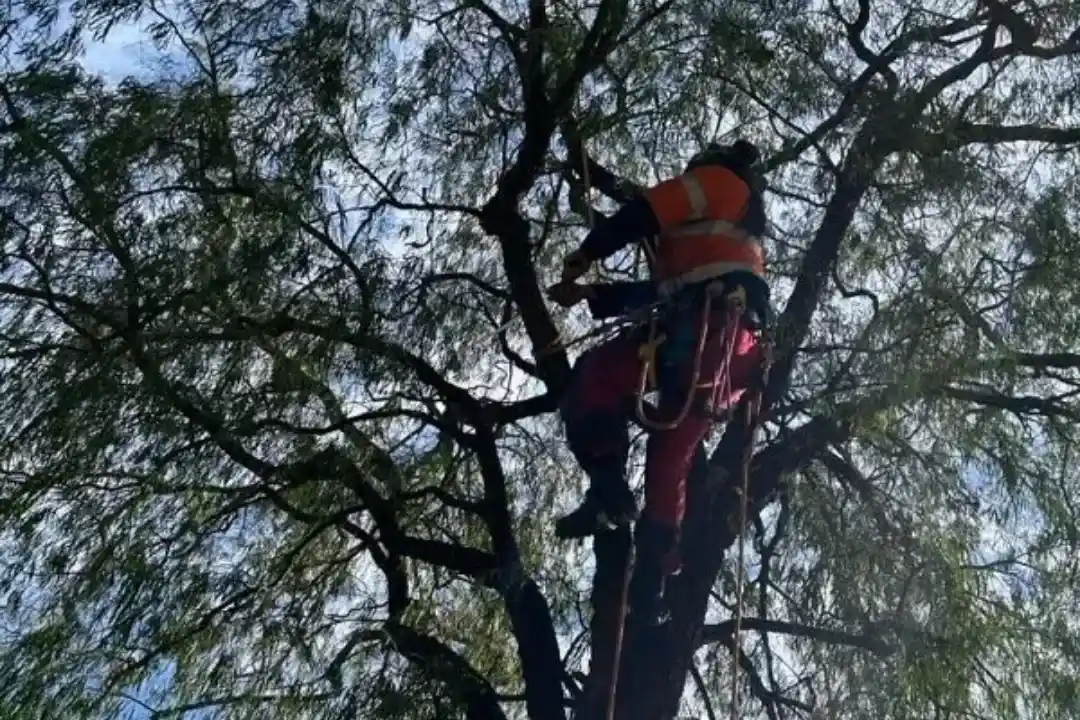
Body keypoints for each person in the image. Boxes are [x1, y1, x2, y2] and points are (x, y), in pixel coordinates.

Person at [547, 140, 770, 624]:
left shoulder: (719, 184)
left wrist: (588, 252)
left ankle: (608, 485)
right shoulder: (719, 237)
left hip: (704, 329)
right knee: (669, 462)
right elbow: (660, 290)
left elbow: (644, 211)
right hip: (726, 357)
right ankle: (651, 584)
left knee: (596, 376)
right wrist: (593, 294)